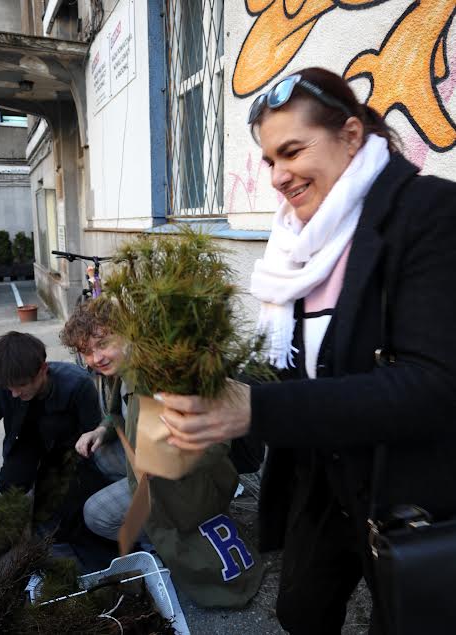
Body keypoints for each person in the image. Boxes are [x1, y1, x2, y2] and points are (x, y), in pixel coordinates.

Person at [155, 67, 456, 634]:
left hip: (401, 490)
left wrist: (255, 409)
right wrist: (206, 382)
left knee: (402, 616)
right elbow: (296, 368)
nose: (277, 176)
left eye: (292, 152)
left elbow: (432, 387)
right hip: (319, 479)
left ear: (350, 135)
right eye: (270, 160)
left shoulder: (429, 213)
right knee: (300, 611)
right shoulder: (293, 244)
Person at [60, 300, 264, 608]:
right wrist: (101, 429)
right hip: (150, 460)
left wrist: (170, 460)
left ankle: (160, 547)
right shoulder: (123, 367)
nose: (95, 358)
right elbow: (118, 412)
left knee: (96, 515)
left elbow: (217, 443)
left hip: (186, 479)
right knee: (98, 456)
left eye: (103, 344)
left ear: (128, 333)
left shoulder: (161, 376)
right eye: (86, 351)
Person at [0, 331, 103, 496]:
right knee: (10, 487)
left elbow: (92, 431)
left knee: (66, 496)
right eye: (10, 387)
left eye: (21, 385)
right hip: (25, 439)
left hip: (67, 444)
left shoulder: (79, 383)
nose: (15, 393)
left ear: (43, 369)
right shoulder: (2, 383)